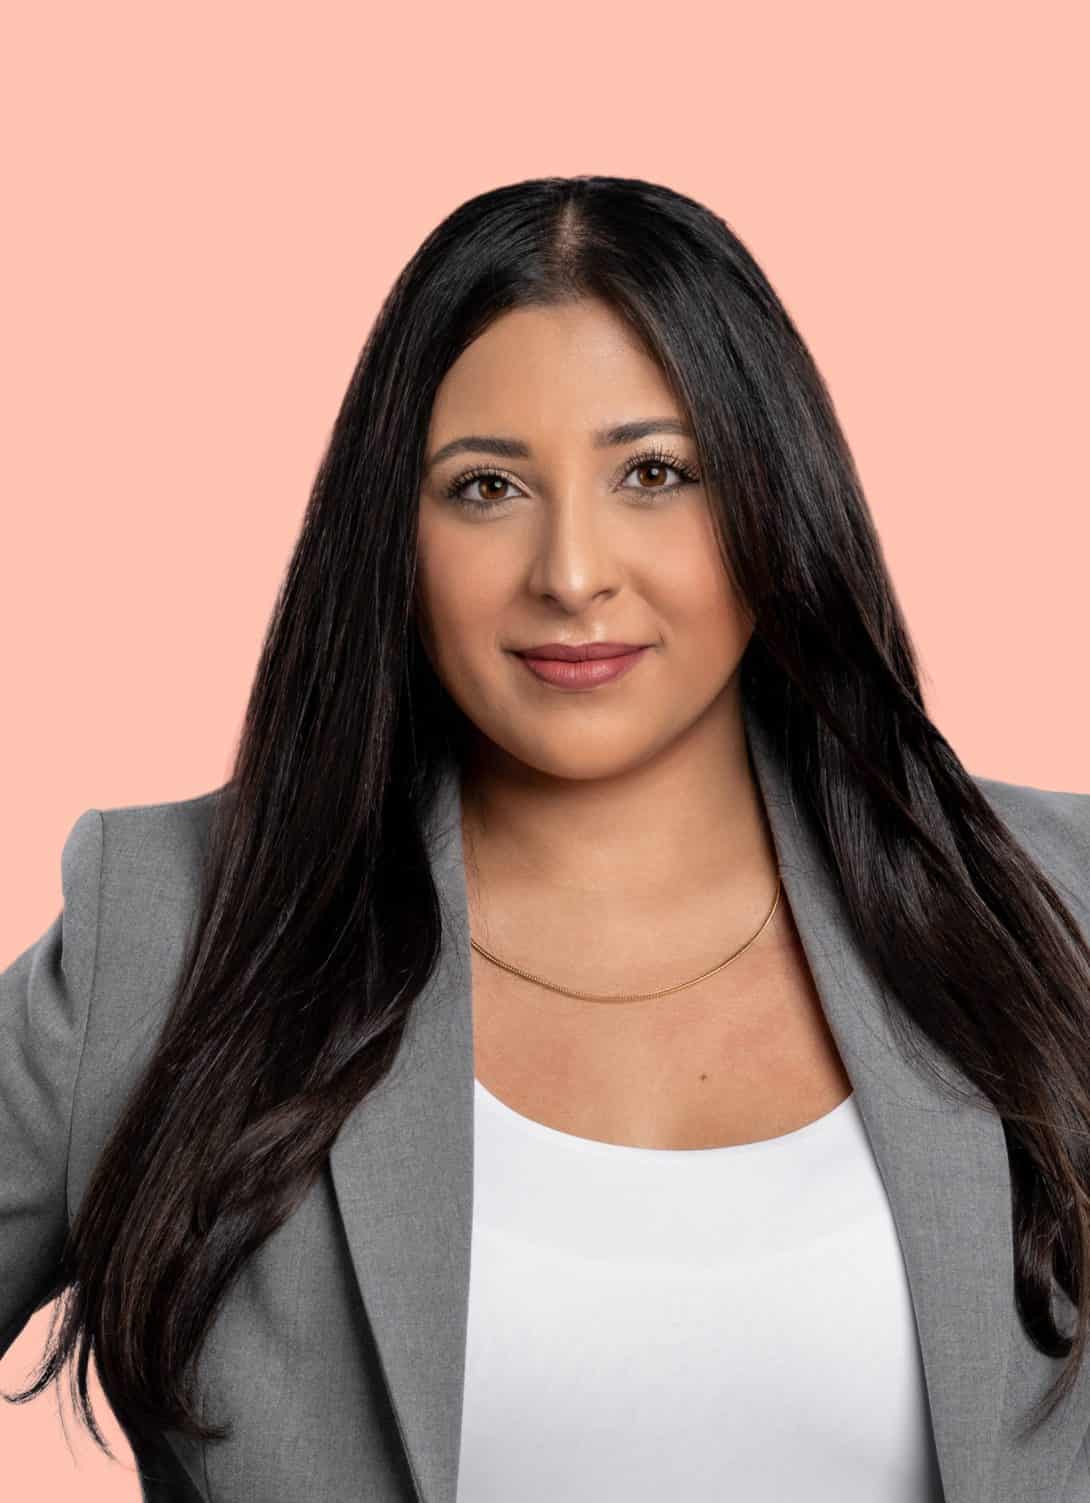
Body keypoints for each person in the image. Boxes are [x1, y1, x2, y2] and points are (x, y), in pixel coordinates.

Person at [3, 175, 1089, 1503]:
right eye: (484, 487)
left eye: (653, 473)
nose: (570, 572)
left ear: (770, 497)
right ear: (389, 537)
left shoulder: (1058, 908)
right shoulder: (169, 932)